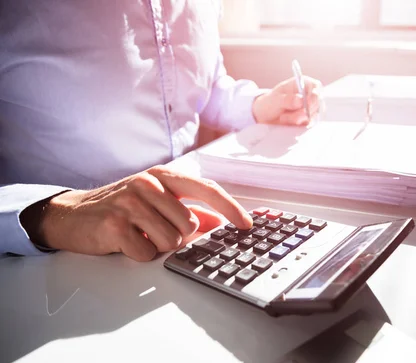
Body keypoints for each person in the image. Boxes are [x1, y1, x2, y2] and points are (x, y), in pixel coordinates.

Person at [0, 0, 321, 261]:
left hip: (185, 230)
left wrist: (257, 106)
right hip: (54, 260)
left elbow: (204, 89)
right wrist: (51, 215)